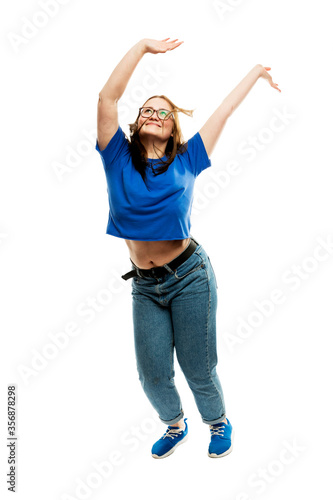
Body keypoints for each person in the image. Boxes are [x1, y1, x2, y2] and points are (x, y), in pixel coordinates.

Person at [95, 37, 281, 459]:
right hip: (144, 285)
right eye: (148, 109)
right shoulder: (116, 157)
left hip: (190, 276)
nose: (156, 114)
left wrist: (256, 71)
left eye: (165, 112)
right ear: (137, 121)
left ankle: (218, 422)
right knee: (153, 375)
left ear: (173, 126)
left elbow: (225, 111)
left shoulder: (188, 158)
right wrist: (143, 47)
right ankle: (175, 424)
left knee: (198, 368)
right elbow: (107, 97)